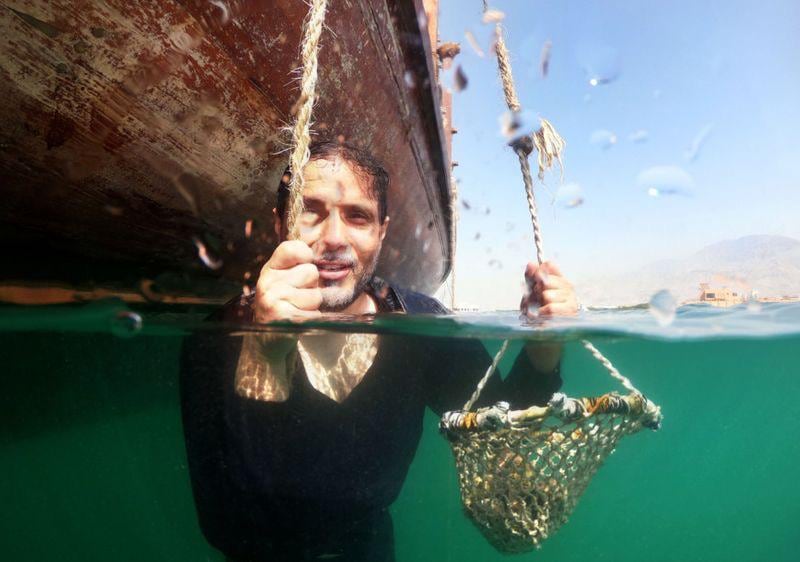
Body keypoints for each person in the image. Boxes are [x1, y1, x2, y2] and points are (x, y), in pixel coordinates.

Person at [180, 140, 578, 562]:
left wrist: (544, 350)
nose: (334, 238)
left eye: (358, 217)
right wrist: (266, 356)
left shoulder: (421, 328)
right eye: (310, 211)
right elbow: (226, 523)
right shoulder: (215, 341)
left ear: (382, 231)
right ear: (280, 224)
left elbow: (502, 433)